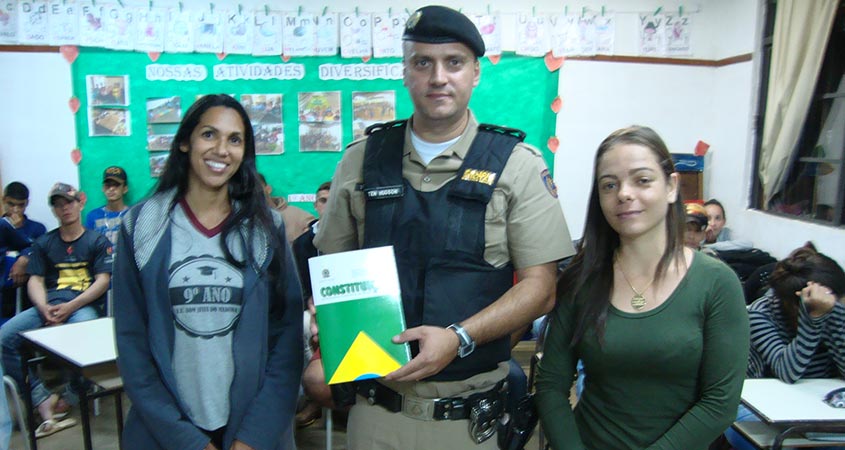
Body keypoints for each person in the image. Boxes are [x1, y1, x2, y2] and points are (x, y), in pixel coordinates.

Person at [314, 6, 575, 449]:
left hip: (473, 421)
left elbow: (541, 288)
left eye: (453, 62)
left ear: (475, 72)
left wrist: (460, 338)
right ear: (405, 72)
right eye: (422, 62)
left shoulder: (517, 165)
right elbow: (334, 268)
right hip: (378, 414)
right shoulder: (361, 160)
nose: (438, 77)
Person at [534, 125, 749, 450]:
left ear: (672, 186)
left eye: (642, 180)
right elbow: (551, 384)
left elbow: (720, 403)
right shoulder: (581, 280)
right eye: (610, 184)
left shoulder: (717, 284)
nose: (624, 193)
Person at [113, 94, 303, 450]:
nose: (221, 149)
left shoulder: (266, 228)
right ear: (185, 141)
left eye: (235, 140)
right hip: (165, 434)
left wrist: (253, 438)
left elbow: (287, 341)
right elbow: (132, 346)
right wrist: (187, 442)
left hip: (251, 433)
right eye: (209, 135)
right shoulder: (141, 225)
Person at [0, 182, 112, 437]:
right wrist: (44, 307)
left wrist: (70, 306)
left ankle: (70, 398)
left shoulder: (97, 240)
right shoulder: (44, 242)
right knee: (5, 337)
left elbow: (103, 281)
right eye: (59, 205)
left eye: (69, 202)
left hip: (81, 306)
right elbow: (35, 281)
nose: (65, 209)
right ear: (54, 210)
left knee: (85, 336)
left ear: (80, 203)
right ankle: (42, 398)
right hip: (48, 305)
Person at [726, 243, 845, 450]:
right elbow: (788, 372)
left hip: (822, 406)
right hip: (761, 408)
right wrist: (812, 319)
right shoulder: (760, 314)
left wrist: (834, 316)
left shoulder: (835, 310)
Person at [1, 182, 47, 316]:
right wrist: (12, 229)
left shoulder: (37, 228)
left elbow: (40, 252)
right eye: (11, 204)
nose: (15, 210)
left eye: (20, 205)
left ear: (27, 203)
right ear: (4, 200)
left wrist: (24, 258)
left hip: (29, 292)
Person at [258, 173, 314, 244]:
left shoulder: (296, 214)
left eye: (257, 189)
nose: (254, 195)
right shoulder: (247, 223)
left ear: (268, 189)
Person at [84, 166, 130, 247]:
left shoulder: (133, 214)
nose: (111, 189)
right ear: (103, 188)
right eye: (107, 185)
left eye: (116, 185)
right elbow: (88, 246)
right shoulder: (93, 216)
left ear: (125, 189)